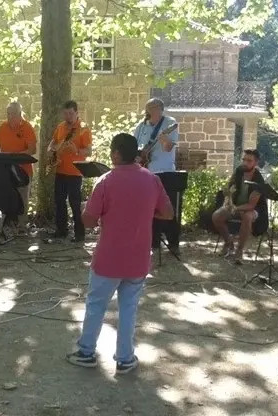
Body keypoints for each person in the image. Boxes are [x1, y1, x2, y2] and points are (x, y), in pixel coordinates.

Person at [66, 133, 173, 374]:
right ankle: (125, 358)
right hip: (138, 260)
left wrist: (84, 209)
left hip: (109, 259)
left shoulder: (105, 181)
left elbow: (89, 221)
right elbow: (168, 213)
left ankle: (86, 352)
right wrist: (146, 212)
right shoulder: (152, 180)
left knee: (96, 305)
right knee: (128, 309)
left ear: (115, 154)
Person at [133, 98, 180, 254]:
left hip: (165, 172)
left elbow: (168, 148)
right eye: (147, 109)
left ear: (160, 109)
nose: (149, 112)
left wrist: (165, 139)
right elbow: (134, 147)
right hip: (146, 172)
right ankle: (153, 243)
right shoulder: (141, 126)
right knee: (148, 208)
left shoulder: (170, 123)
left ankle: (173, 243)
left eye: (152, 108)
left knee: (167, 207)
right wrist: (137, 157)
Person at [212, 149, 268, 264]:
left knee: (247, 216)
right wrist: (228, 199)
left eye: (249, 161)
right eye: (244, 160)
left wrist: (236, 208)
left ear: (256, 163)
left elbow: (251, 205)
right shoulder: (238, 171)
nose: (245, 163)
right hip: (236, 205)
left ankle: (239, 250)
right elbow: (228, 188)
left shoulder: (258, 180)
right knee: (216, 216)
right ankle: (228, 242)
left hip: (254, 209)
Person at [48, 100, 92, 242]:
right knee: (59, 201)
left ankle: (79, 233)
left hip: (75, 172)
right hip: (60, 169)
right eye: (66, 114)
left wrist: (77, 150)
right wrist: (51, 149)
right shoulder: (60, 127)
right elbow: (54, 141)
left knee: (75, 203)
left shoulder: (83, 128)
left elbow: (89, 151)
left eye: (71, 114)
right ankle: (61, 230)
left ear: (77, 113)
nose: (68, 117)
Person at [0, 102, 37, 232]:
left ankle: (22, 227)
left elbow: (32, 149)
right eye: (8, 114)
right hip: (5, 170)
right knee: (5, 197)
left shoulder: (27, 127)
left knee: (22, 199)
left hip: (23, 171)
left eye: (12, 114)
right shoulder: (3, 127)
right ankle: (6, 226)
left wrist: (16, 156)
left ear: (19, 114)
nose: (10, 117)